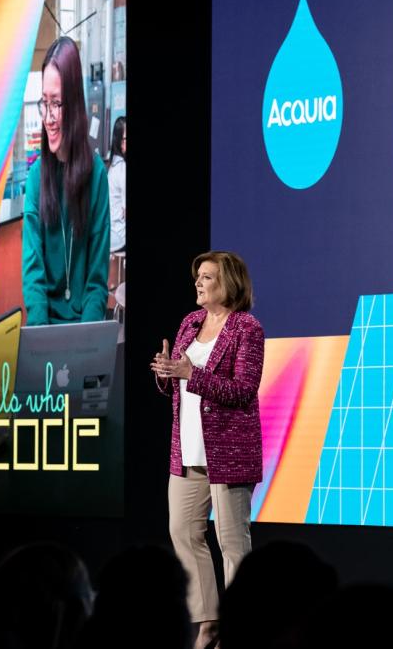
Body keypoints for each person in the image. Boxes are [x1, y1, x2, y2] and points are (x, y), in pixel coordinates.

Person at [150, 250, 265, 649]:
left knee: (231, 543)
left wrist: (191, 374)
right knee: (182, 531)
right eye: (197, 276)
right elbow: (179, 385)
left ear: (228, 283)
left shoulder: (247, 328)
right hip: (187, 451)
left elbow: (243, 390)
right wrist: (167, 372)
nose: (198, 283)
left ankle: (240, 628)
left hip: (228, 453)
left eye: (207, 277)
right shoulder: (190, 322)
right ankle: (209, 623)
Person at [23, 37, 110, 325]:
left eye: (57, 104)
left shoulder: (96, 176)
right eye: (44, 103)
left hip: (85, 328)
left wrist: (85, 342)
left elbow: (96, 283)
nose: (48, 118)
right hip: (44, 328)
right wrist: (42, 339)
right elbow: (33, 277)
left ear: (74, 105)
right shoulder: (36, 177)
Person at [107, 116, 126, 252]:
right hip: (120, 236)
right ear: (120, 142)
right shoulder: (122, 168)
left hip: (111, 233)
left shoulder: (112, 165)